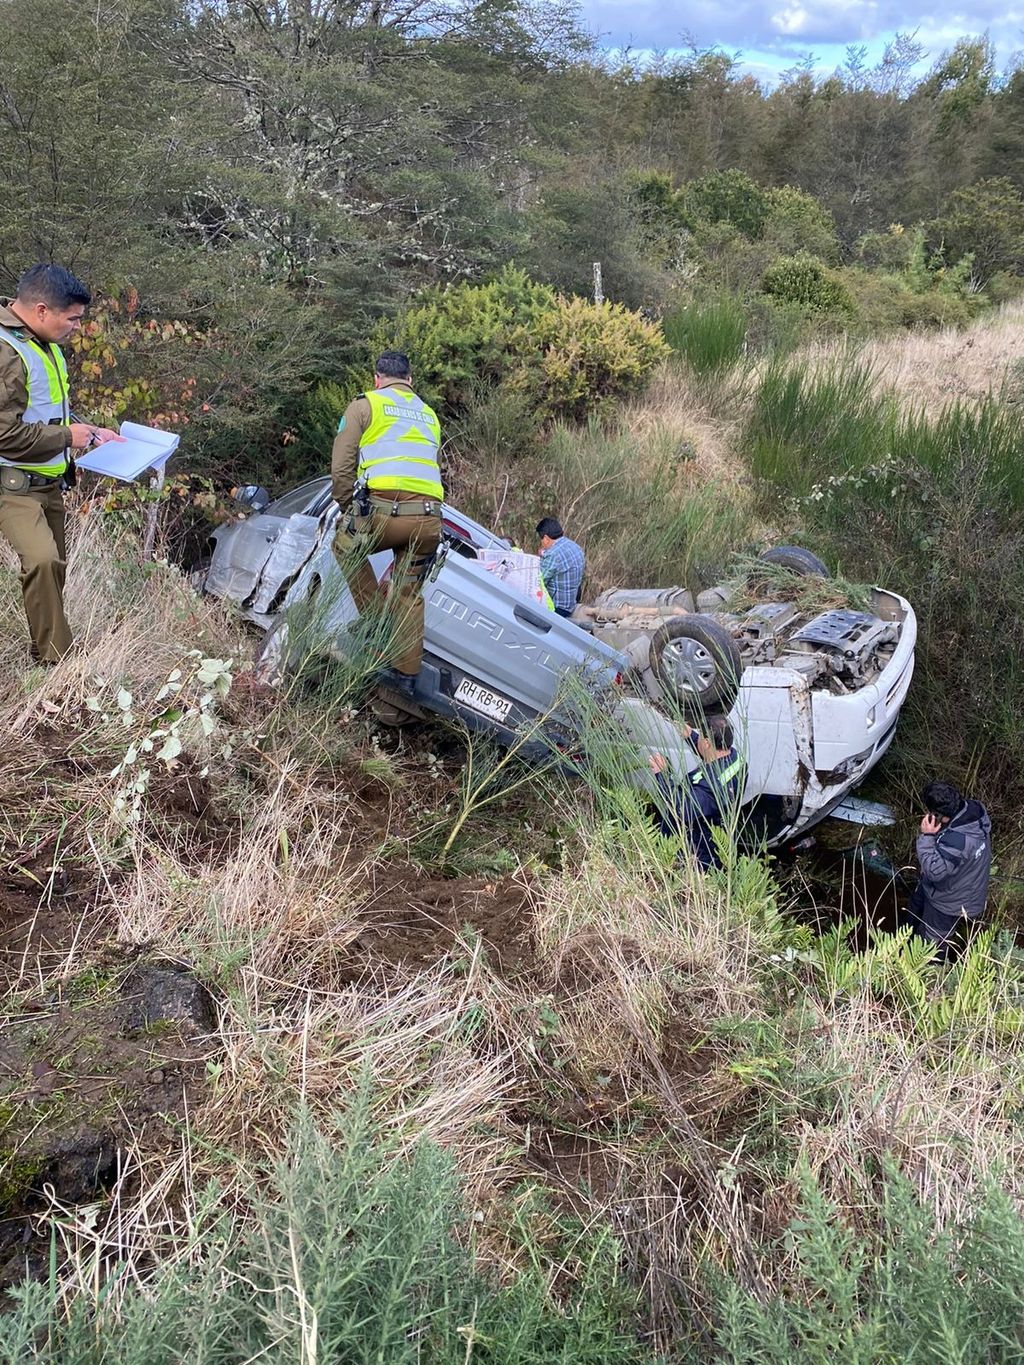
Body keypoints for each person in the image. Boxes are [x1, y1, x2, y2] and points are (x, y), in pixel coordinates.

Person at [0, 264, 120, 664]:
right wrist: (70, 437)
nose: (76, 327)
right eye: (72, 319)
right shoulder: (7, 352)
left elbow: (44, 415)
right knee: (43, 561)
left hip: (49, 483)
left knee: (55, 571)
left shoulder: (40, 343)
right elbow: (4, 435)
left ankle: (46, 653)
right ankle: (59, 664)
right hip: (13, 485)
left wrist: (92, 432)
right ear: (40, 310)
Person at [331, 351, 443, 707]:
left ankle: (377, 623)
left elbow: (342, 467)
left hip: (383, 514)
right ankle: (406, 677)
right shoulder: (429, 414)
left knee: (345, 547)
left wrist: (348, 506)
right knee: (408, 594)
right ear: (410, 379)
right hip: (428, 521)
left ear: (377, 378)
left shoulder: (365, 405)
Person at [907, 780, 991, 958]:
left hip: (950, 901)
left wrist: (927, 836)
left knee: (932, 942)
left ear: (941, 816)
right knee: (913, 911)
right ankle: (901, 940)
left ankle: (927, 974)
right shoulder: (972, 810)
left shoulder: (957, 842)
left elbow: (934, 871)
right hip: (948, 887)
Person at [648, 717, 744, 869]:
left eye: (700, 737)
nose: (697, 738)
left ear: (706, 743)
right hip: (715, 837)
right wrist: (690, 736)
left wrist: (663, 775)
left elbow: (682, 809)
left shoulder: (712, 788)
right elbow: (713, 756)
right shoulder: (735, 759)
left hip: (698, 854)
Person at [536, 517, 585, 619]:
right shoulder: (575, 546)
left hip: (558, 607)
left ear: (545, 538)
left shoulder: (553, 555)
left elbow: (539, 581)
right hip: (571, 600)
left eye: (541, 540)